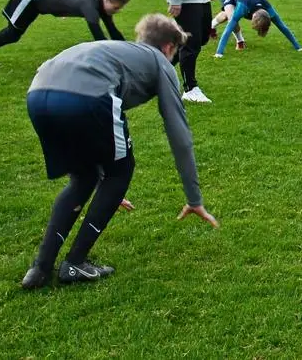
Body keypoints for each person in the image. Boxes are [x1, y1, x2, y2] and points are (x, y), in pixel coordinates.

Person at [19, 14, 219, 290]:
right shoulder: (160, 61)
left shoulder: (118, 51)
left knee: (84, 177)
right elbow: (179, 133)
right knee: (120, 172)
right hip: (88, 97)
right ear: (169, 48)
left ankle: (39, 269)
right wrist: (194, 198)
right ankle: (75, 262)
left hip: (38, 95)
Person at [0, 0, 130, 68]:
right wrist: (115, 60)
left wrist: (130, 53)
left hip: (39, 1)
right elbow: (99, 39)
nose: (116, 11)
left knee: (13, 35)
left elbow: (113, 32)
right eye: (115, 7)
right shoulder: (90, 6)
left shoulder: (100, 5)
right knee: (12, 33)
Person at [210, 0, 302, 57]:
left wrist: (298, 47)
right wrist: (219, 53)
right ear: (253, 17)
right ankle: (240, 41)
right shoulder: (243, 8)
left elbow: (283, 27)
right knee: (231, 19)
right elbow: (228, 29)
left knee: (225, 15)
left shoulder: (269, 10)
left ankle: (212, 26)